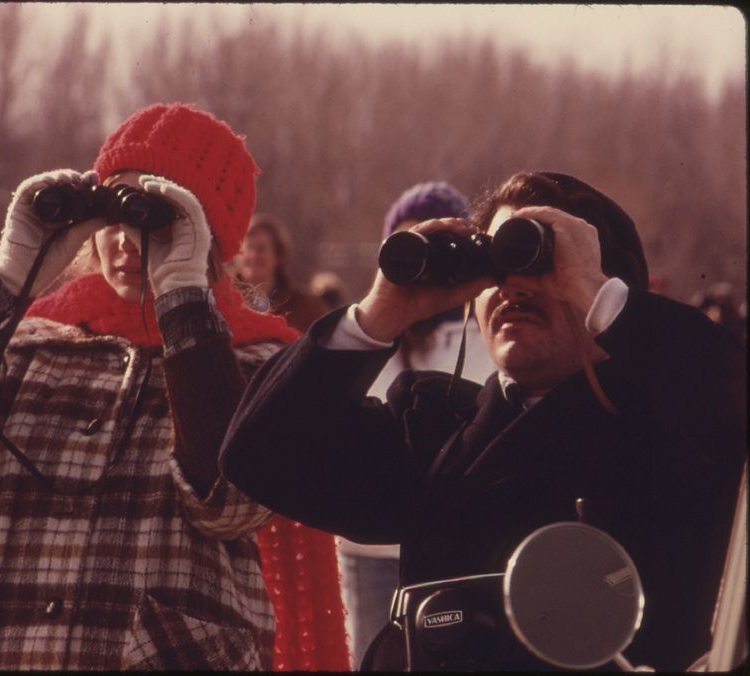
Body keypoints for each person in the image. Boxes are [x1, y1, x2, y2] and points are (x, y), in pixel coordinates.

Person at [0, 103, 349, 670]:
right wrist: (10, 275)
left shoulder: (259, 361)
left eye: (156, 214)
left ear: (210, 233)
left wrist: (182, 294)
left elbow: (229, 507)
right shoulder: (29, 348)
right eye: (114, 208)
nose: (125, 239)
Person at [221, 171, 746, 671]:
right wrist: (378, 314)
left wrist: (597, 291)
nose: (516, 287)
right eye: (496, 266)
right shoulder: (432, 431)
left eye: (543, 261)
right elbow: (259, 456)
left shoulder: (668, 426)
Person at [337, 181, 495, 668]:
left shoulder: (485, 334)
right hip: (370, 551)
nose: (425, 268)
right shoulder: (370, 331)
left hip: (453, 555)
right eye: (410, 248)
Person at [237, 212, 328, 332]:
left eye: (261, 249)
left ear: (278, 256)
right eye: (249, 248)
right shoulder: (223, 302)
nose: (254, 256)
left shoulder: (305, 307)